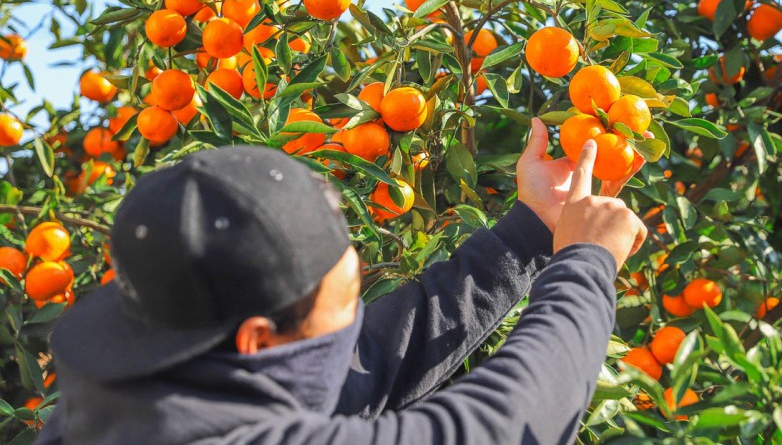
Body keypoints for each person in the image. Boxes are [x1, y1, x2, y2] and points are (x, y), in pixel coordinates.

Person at [38, 118, 646, 444]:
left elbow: (370, 361)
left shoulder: (118, 404)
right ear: (257, 342)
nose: (357, 320)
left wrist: (530, 233)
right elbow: (511, 425)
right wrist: (585, 263)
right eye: (349, 301)